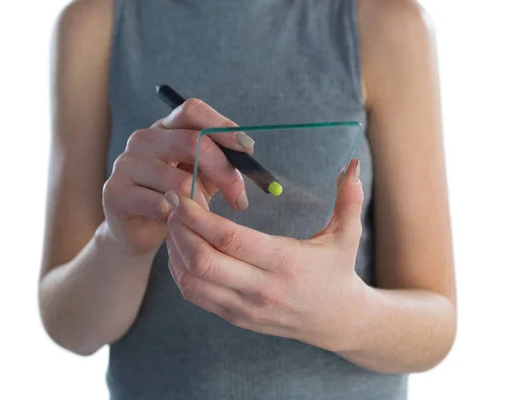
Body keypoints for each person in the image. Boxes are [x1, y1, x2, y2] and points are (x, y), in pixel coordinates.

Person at [39, 0, 457, 398]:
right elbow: (68, 324)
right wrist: (121, 242)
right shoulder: (95, 24)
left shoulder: (388, 24)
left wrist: (342, 313)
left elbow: (436, 326)